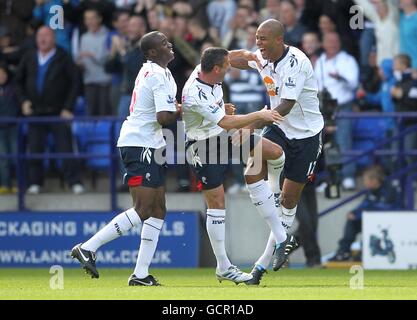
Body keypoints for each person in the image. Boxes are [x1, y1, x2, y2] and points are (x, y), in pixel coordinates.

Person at [71, 31, 181, 286]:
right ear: (153, 52)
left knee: (158, 210)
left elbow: (163, 112)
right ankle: (88, 247)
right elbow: (164, 118)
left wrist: (181, 109)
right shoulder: (156, 75)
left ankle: (141, 274)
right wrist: (190, 112)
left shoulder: (156, 71)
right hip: (139, 143)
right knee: (143, 209)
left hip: (150, 143)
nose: (170, 44)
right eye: (165, 43)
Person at [228, 19, 324, 285]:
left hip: (305, 136)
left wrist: (250, 124)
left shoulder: (297, 62)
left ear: (279, 40)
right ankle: (284, 239)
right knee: (252, 167)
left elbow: (286, 106)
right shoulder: (262, 57)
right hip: (279, 130)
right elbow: (244, 58)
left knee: (289, 202)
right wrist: (216, 59)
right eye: (257, 38)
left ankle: (259, 269)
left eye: (263, 39)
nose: (258, 43)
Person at [182, 47, 286, 284]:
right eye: (226, 68)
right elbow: (227, 121)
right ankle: (223, 266)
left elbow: (225, 53)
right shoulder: (194, 91)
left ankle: (276, 198)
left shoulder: (206, 68)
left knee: (273, 151)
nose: (229, 70)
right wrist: (260, 116)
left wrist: (251, 54)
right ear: (216, 69)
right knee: (217, 202)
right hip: (202, 146)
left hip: (221, 134)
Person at [14, 26, 83, 195]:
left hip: (58, 113)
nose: (42, 39)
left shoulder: (63, 57)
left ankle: (74, 182)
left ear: (54, 39)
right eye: (40, 36)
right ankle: (35, 183)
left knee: (65, 148)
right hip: (35, 113)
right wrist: (23, 101)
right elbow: (18, 82)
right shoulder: (29, 56)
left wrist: (68, 107)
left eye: (46, 36)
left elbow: (75, 83)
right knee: (35, 148)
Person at [329, 165, 401, 261]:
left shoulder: (390, 189)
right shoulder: (371, 191)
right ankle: (344, 252)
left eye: (365, 180)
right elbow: (364, 205)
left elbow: (384, 209)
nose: (364, 183)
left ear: (374, 180)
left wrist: (360, 214)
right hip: (371, 220)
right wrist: (354, 212)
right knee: (352, 221)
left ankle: (364, 250)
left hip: (389, 223)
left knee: (370, 221)